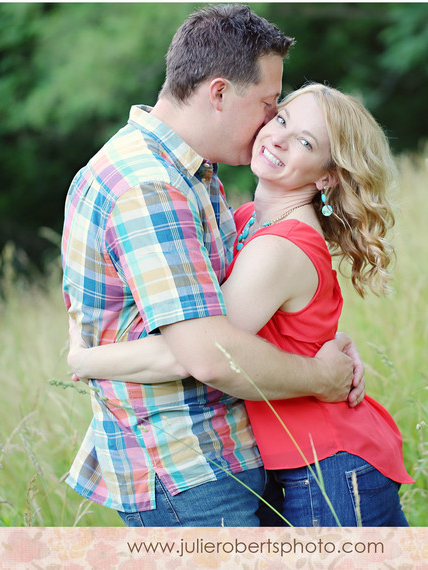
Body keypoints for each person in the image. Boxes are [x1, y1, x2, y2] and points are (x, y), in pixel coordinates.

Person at [60, 4, 364, 528]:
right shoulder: (150, 187)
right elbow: (207, 355)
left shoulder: (188, 173)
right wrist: (318, 375)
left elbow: (225, 309)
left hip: (216, 458)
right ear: (219, 93)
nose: (272, 121)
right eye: (270, 104)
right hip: (188, 467)